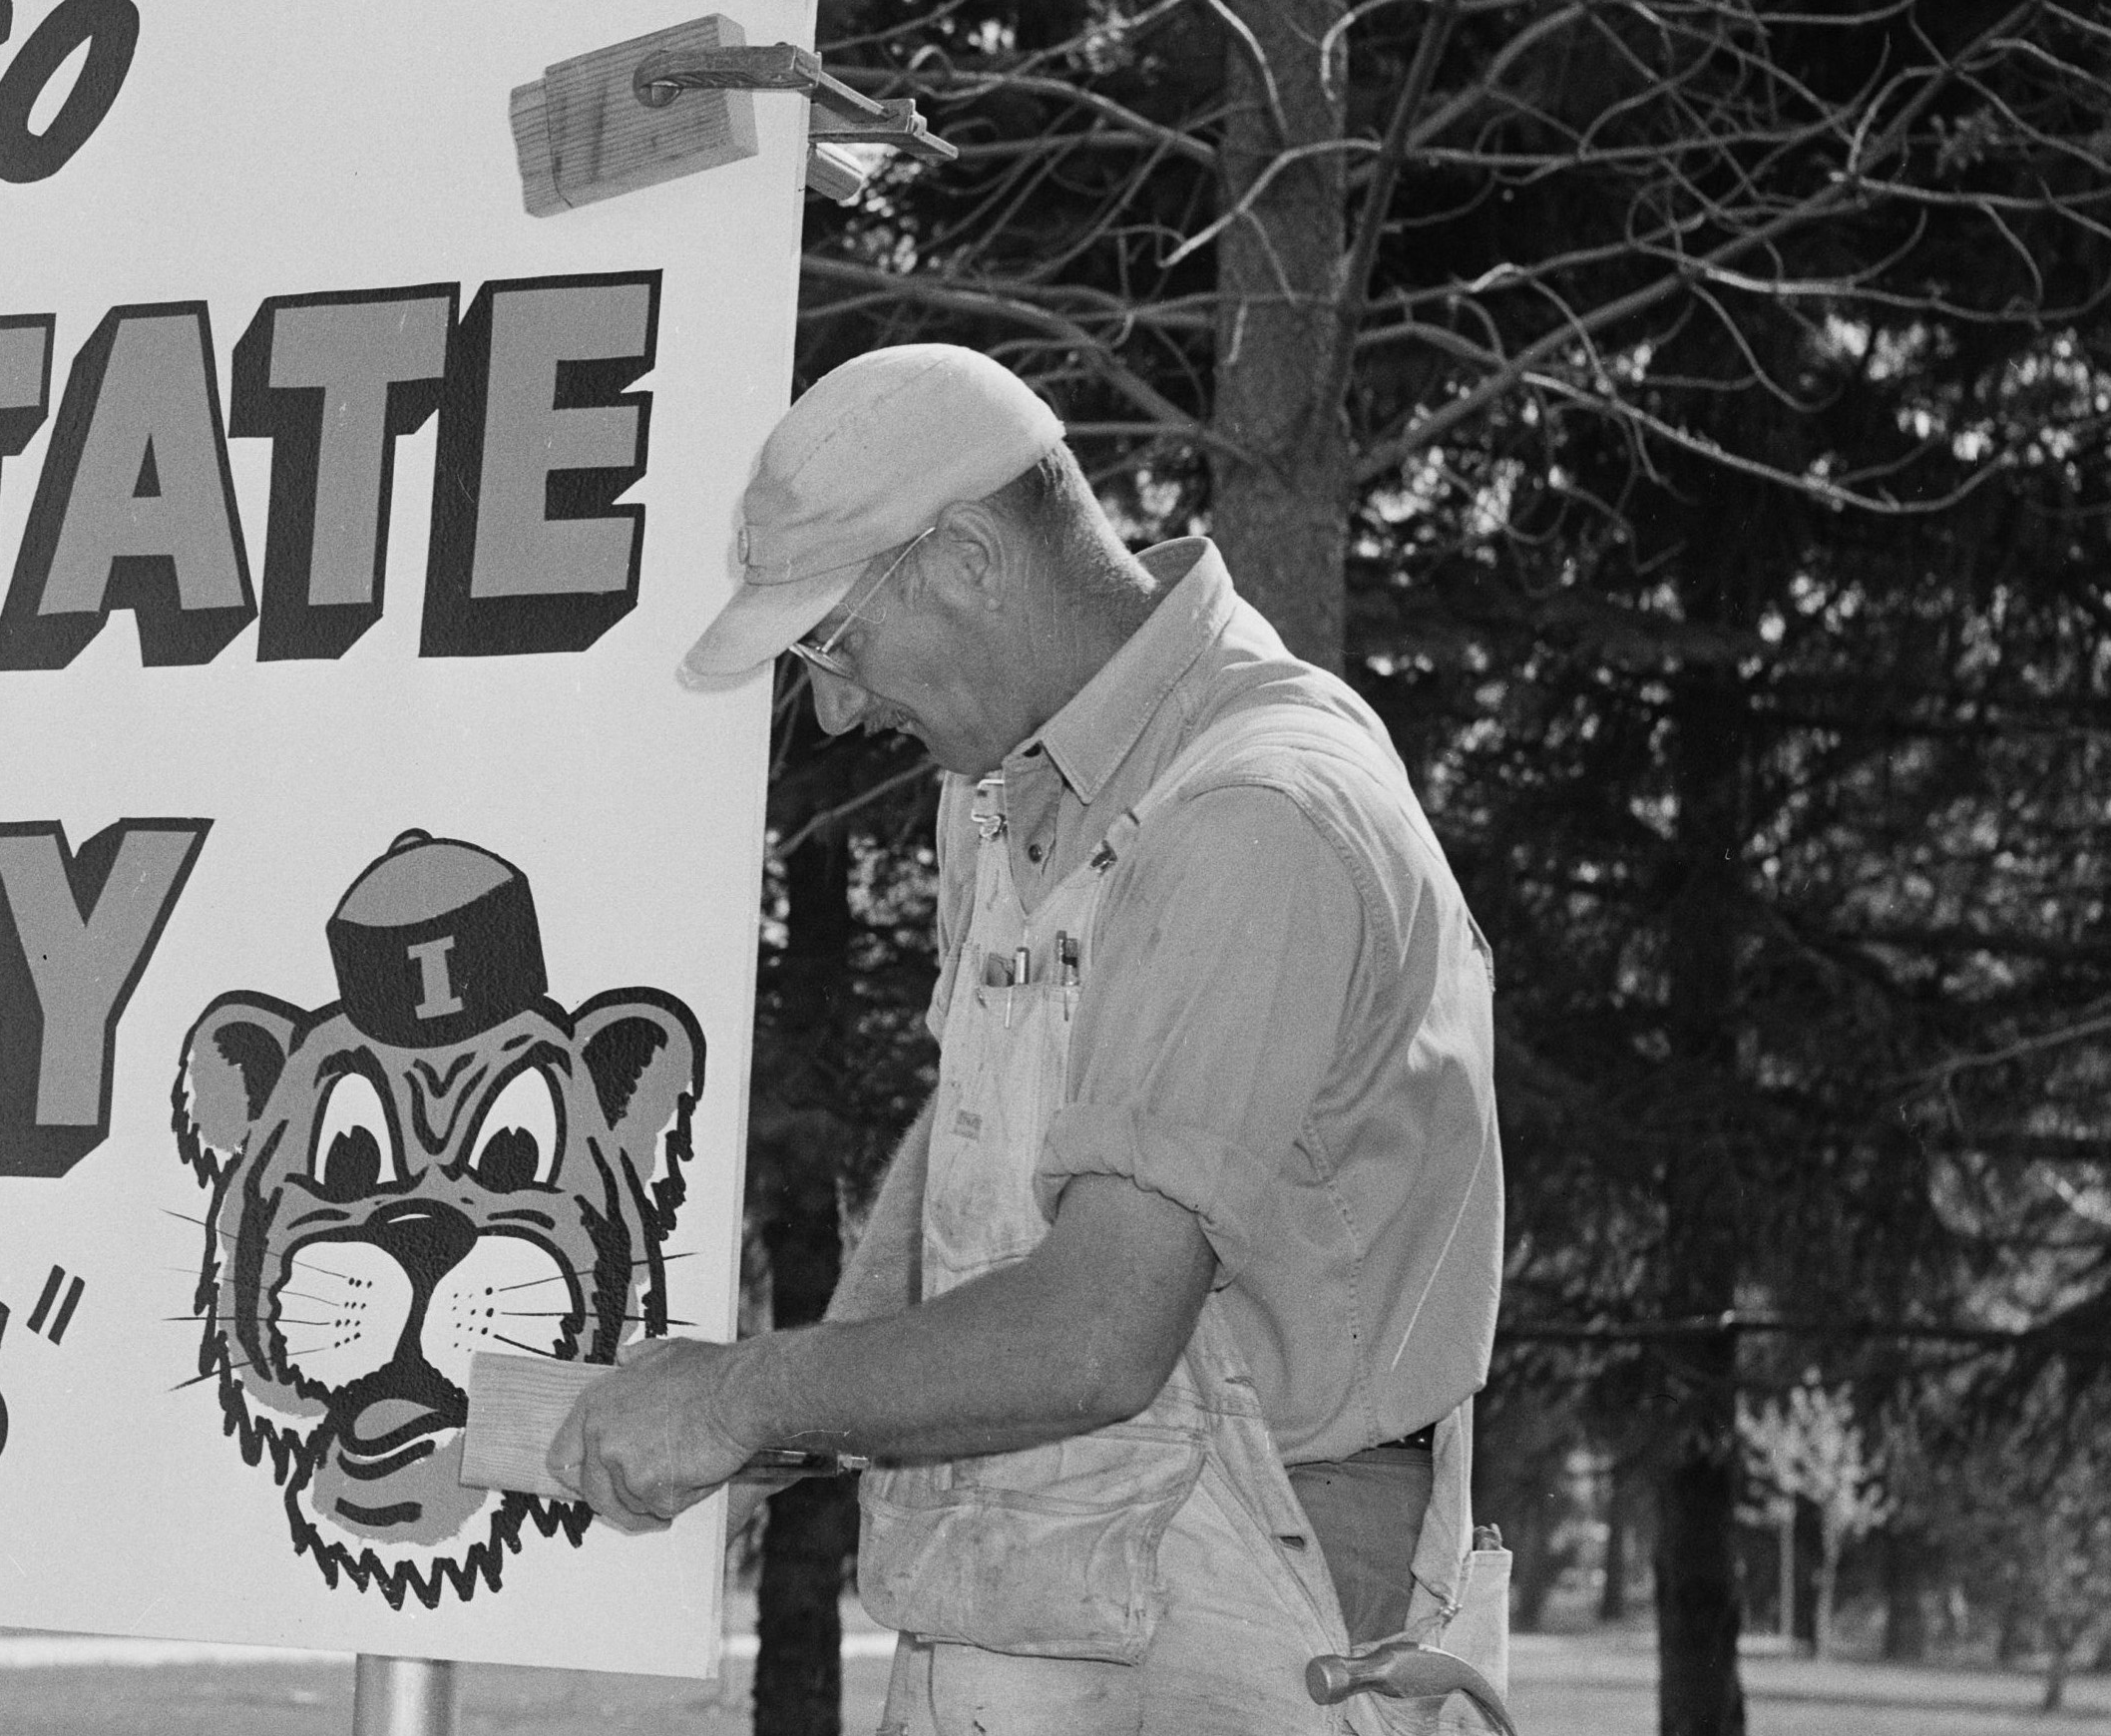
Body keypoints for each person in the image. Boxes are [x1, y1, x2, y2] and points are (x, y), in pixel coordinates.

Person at [552, 345, 1502, 1732]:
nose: (835, 703)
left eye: (835, 638)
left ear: (969, 559)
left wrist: (747, 1393)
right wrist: (811, 1390)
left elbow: (1103, 1328)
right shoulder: (1013, 789)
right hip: (1057, 1568)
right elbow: (979, 1115)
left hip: (1256, 1587)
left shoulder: (1254, 812)